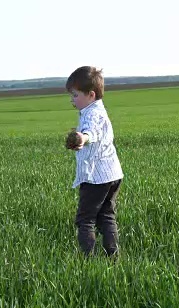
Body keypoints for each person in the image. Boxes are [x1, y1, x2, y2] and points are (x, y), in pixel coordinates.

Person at [65, 66, 123, 258]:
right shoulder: (96, 110)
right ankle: (112, 257)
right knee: (106, 216)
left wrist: (82, 138)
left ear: (91, 94)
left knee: (85, 220)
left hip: (96, 177)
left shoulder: (93, 114)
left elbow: (93, 132)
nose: (72, 100)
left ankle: (87, 260)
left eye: (75, 95)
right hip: (112, 174)